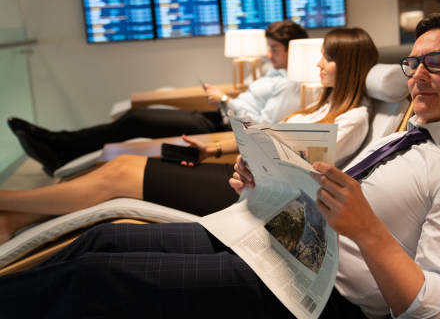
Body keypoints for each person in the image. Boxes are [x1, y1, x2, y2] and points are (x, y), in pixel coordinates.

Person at [0, 11, 440, 319]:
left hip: (318, 294)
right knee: (103, 237)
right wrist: (264, 188)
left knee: (96, 277)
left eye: (436, 63)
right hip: (282, 243)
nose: (418, 76)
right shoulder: (407, 136)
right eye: (413, 63)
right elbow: (321, 207)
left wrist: (370, 231)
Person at [0, 28, 379, 245]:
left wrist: (246, 148)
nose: (318, 64)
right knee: (125, 164)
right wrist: (216, 145)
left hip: (267, 195)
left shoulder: (354, 118)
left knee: (123, 173)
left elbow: (307, 163)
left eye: (327, 59)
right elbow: (273, 135)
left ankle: (8, 201)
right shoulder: (320, 106)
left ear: (347, 66)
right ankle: (14, 216)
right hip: (247, 177)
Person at [7, 20, 307, 176]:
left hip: (223, 132)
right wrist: (223, 99)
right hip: (219, 117)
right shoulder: (275, 71)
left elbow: (265, 125)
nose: (269, 54)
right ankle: (59, 143)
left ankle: (60, 146)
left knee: (136, 121)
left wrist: (227, 102)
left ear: (292, 49)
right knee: (134, 118)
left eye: (274, 50)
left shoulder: (294, 84)